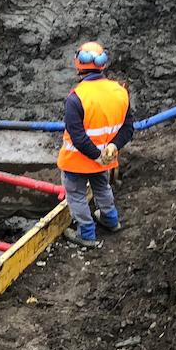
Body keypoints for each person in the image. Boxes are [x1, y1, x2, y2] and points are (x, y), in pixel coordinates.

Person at [58, 41, 134, 248]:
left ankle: (86, 233)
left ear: (78, 64)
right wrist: (113, 147)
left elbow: (78, 137)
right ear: (103, 64)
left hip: (77, 161)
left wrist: (95, 155)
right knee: (102, 187)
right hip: (104, 159)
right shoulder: (120, 92)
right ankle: (111, 220)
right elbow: (127, 129)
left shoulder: (76, 98)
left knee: (76, 196)